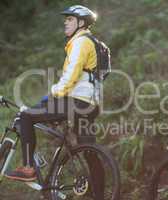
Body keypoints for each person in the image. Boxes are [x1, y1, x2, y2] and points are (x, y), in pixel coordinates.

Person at [5, 5, 103, 189]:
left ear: (81, 23)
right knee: (90, 152)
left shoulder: (81, 42)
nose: (65, 22)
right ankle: (101, 194)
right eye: (65, 19)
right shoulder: (94, 43)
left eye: (70, 19)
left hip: (74, 102)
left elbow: (71, 75)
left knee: (26, 116)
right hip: (90, 104)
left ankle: (28, 168)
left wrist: (53, 94)